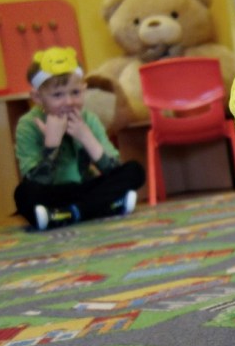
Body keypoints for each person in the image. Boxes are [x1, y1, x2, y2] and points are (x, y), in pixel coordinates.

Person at [13, 47, 145, 230]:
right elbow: (36, 182)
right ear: (38, 97)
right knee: (23, 193)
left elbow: (114, 170)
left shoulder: (89, 119)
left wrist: (87, 138)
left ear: (84, 90)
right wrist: (52, 144)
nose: (69, 102)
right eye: (58, 95)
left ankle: (69, 213)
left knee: (135, 170)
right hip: (52, 195)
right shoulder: (28, 125)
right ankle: (104, 206)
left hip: (86, 188)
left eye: (75, 92)